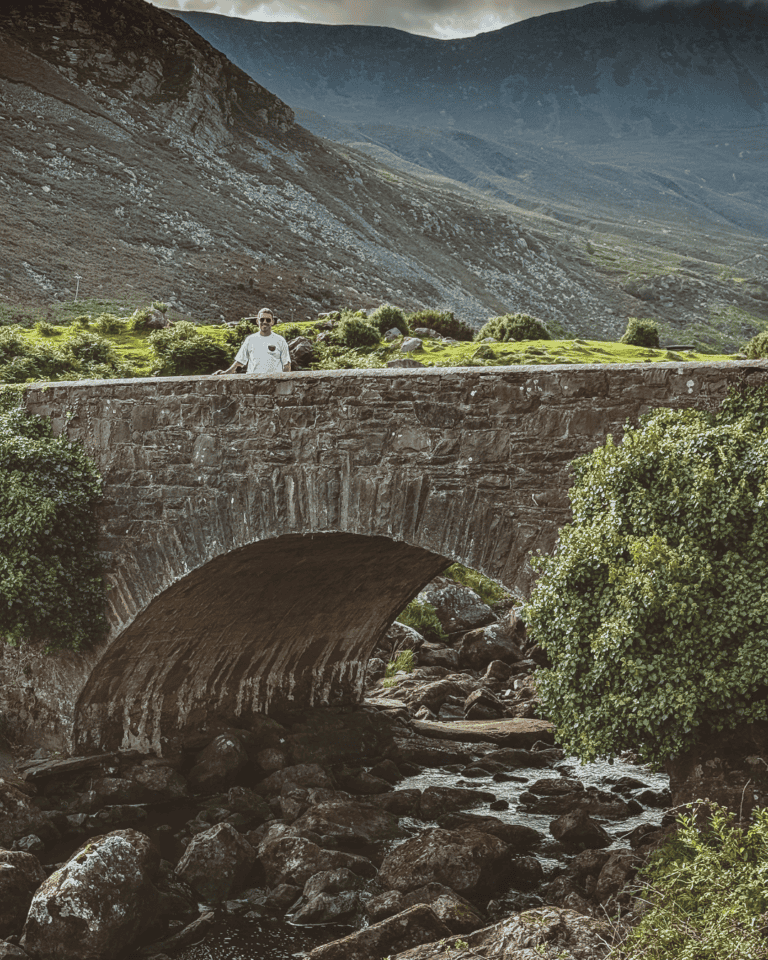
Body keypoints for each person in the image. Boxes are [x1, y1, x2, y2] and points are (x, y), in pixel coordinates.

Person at [215, 308, 291, 375]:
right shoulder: (250, 339)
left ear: (272, 322)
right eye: (262, 319)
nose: (264, 322)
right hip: (253, 382)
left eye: (268, 320)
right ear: (257, 321)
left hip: (274, 384)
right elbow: (240, 361)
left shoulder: (280, 340)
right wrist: (226, 372)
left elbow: (287, 365)